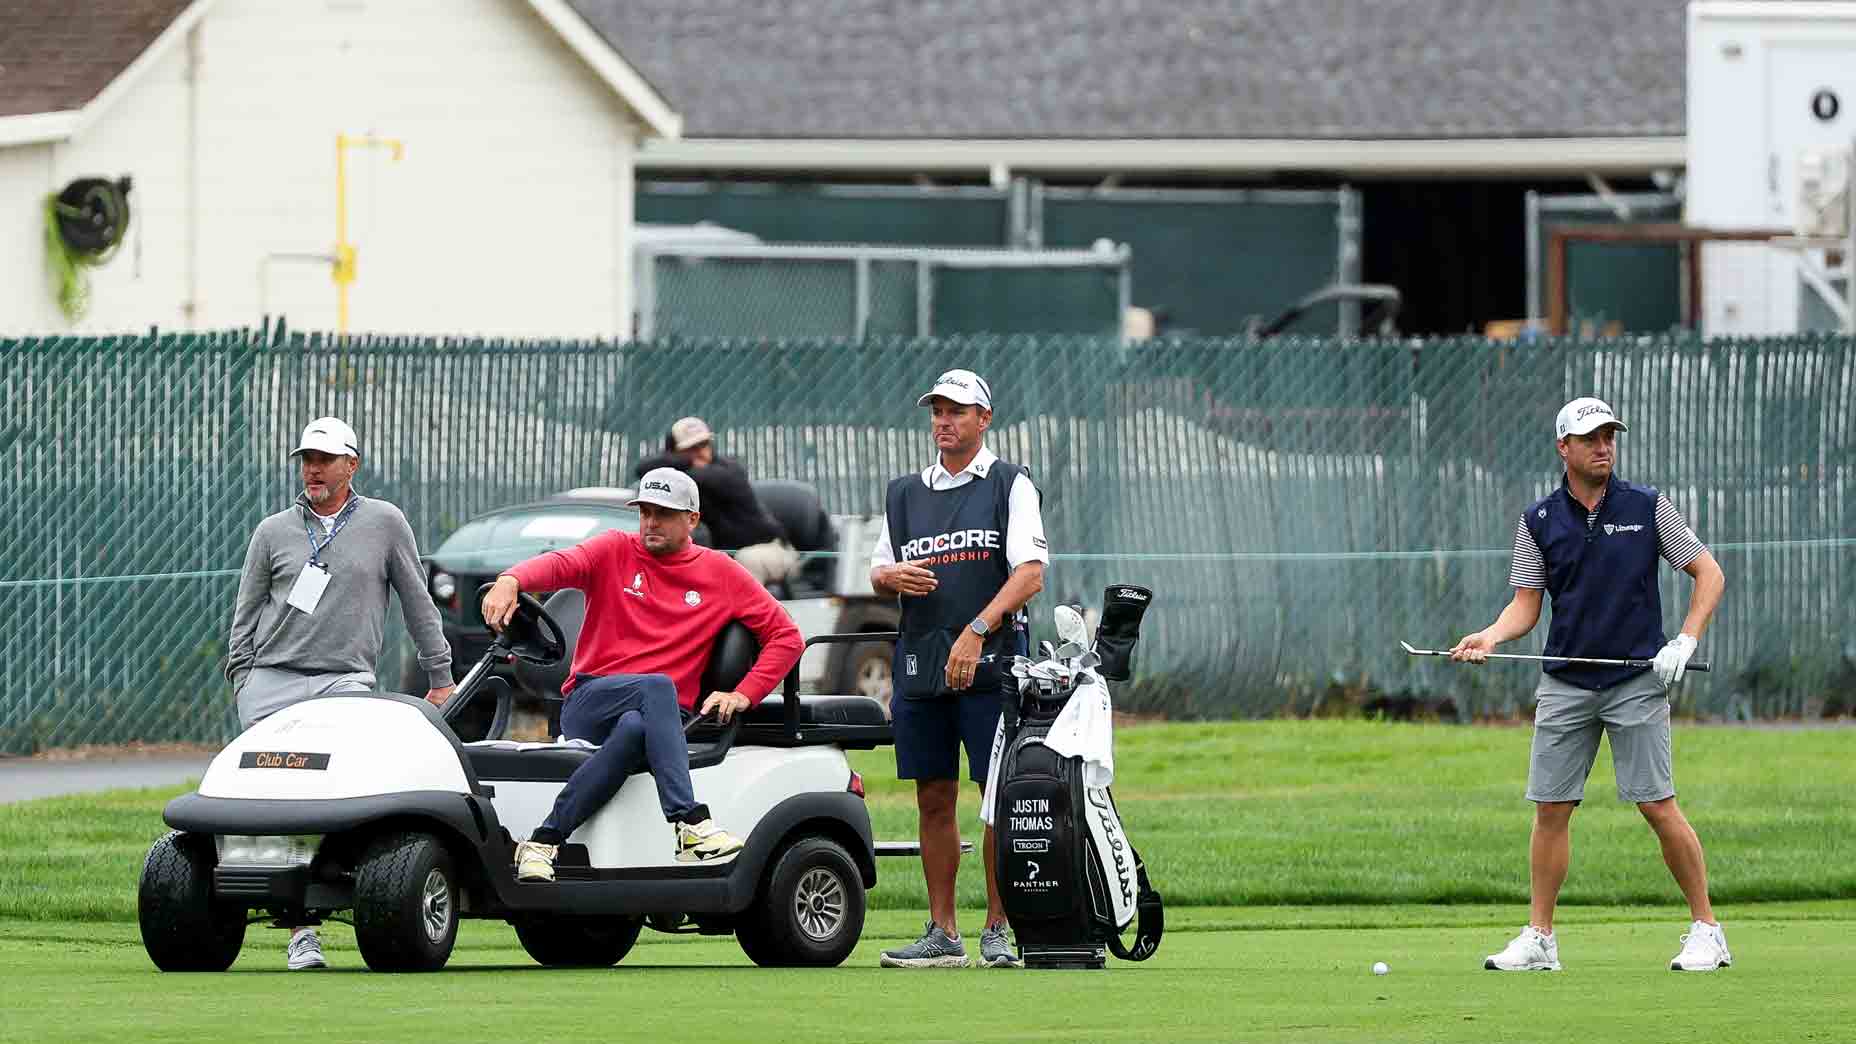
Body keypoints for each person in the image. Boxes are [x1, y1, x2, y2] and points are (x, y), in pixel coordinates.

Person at [1452, 397, 1730, 973]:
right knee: (1550, 809)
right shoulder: (1540, 520)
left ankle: (1708, 930)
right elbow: (1527, 606)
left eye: (1609, 436)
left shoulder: (1646, 508)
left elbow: (1707, 573)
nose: (1604, 446)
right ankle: (1540, 940)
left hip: (1635, 680)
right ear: (1564, 448)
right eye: (1591, 438)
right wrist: (1491, 635)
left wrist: (1685, 640)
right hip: (1566, 683)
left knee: (1657, 805)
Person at [481, 466, 803, 882]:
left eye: (664, 514)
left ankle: (543, 841)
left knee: (637, 725)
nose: (651, 522)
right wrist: (511, 579)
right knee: (655, 688)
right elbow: (561, 563)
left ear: (692, 520)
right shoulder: (613, 549)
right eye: (645, 511)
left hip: (662, 718)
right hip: (590, 700)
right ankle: (688, 820)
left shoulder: (722, 573)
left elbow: (787, 637)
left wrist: (742, 694)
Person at [224, 415, 455, 971]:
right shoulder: (273, 531)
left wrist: (440, 673)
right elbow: (246, 613)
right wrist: (243, 677)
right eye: (306, 459)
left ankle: (325, 910)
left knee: (325, 803)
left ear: (352, 465)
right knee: (267, 807)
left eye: (325, 460)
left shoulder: (384, 523)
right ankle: (300, 931)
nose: (313, 469)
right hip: (271, 683)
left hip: (343, 683)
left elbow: (418, 602)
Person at [869, 368, 1047, 969]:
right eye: (938, 412)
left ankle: (999, 929)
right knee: (932, 796)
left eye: (957, 412)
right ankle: (943, 933)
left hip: (991, 663)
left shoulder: (1009, 483)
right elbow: (877, 569)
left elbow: (1030, 574)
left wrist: (977, 630)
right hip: (920, 662)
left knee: (996, 797)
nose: (944, 422)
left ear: (984, 419)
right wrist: (889, 576)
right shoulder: (903, 493)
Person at [634, 416, 799, 586]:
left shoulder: (730, 470)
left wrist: (683, 460)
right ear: (674, 452)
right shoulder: (684, 475)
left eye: (704, 444)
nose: (700, 452)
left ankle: (747, 614)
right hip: (725, 554)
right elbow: (642, 469)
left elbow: (701, 478)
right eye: (691, 447)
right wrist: (682, 460)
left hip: (773, 549)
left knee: (746, 560)